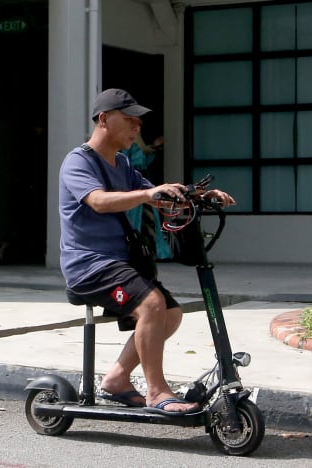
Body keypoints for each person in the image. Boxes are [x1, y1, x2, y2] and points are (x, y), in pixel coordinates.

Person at [58, 88, 236, 415]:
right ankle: (156, 391)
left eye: (138, 123)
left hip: (118, 263)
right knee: (152, 304)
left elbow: (154, 194)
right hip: (89, 266)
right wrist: (147, 195)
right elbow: (97, 201)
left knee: (170, 312)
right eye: (129, 120)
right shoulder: (78, 161)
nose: (136, 128)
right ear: (103, 119)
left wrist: (197, 195)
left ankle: (117, 378)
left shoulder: (122, 163)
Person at [124, 133, 172, 260]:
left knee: (149, 218)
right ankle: (135, 250)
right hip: (131, 187)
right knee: (134, 221)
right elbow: (132, 162)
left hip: (142, 184)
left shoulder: (135, 147)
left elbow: (145, 162)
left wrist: (152, 148)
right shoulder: (124, 148)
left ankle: (150, 250)